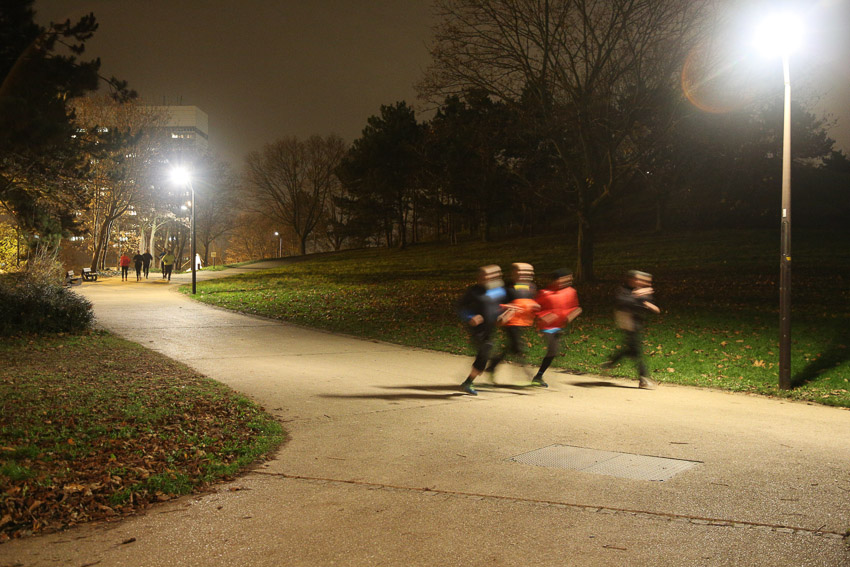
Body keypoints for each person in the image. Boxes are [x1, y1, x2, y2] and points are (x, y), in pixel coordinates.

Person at [601, 270, 661, 389]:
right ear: (631, 279)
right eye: (638, 279)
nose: (641, 282)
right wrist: (637, 296)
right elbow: (623, 303)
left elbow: (653, 308)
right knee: (636, 350)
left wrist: (648, 304)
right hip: (627, 323)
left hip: (637, 323)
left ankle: (611, 363)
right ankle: (643, 378)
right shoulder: (624, 290)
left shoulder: (643, 291)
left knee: (630, 350)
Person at [457, 265, 507, 396]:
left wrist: (503, 315)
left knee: (485, 352)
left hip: (489, 329)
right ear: (479, 277)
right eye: (486, 275)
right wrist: (470, 317)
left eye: (493, 275)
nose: (489, 278)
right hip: (477, 328)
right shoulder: (473, 291)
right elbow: (460, 306)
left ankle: (468, 381)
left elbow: (499, 308)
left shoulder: (499, 291)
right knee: (486, 348)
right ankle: (468, 382)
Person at [485, 263, 540, 382]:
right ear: (514, 274)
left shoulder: (531, 287)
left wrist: (534, 306)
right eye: (522, 272)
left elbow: (529, 301)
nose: (526, 274)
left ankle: (492, 367)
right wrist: (507, 307)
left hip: (522, 322)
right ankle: (531, 377)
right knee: (519, 347)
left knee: (512, 347)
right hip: (510, 321)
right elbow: (497, 303)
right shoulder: (507, 288)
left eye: (528, 272)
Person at [531, 269, 582, 387]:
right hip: (547, 327)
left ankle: (538, 376)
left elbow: (574, 307)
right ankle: (538, 376)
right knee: (553, 350)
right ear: (556, 280)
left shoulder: (571, 292)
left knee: (552, 352)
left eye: (570, 279)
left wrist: (572, 314)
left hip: (559, 326)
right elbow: (534, 307)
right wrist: (542, 316)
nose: (568, 281)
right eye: (565, 278)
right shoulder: (545, 293)